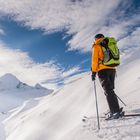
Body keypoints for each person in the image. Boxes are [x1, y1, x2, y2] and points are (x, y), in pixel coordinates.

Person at [91, 33, 123, 120]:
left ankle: (115, 112)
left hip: (102, 70)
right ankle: (114, 109)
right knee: (110, 90)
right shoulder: (109, 43)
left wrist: (93, 72)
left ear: (96, 39)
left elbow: (94, 59)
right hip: (112, 69)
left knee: (108, 91)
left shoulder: (97, 45)